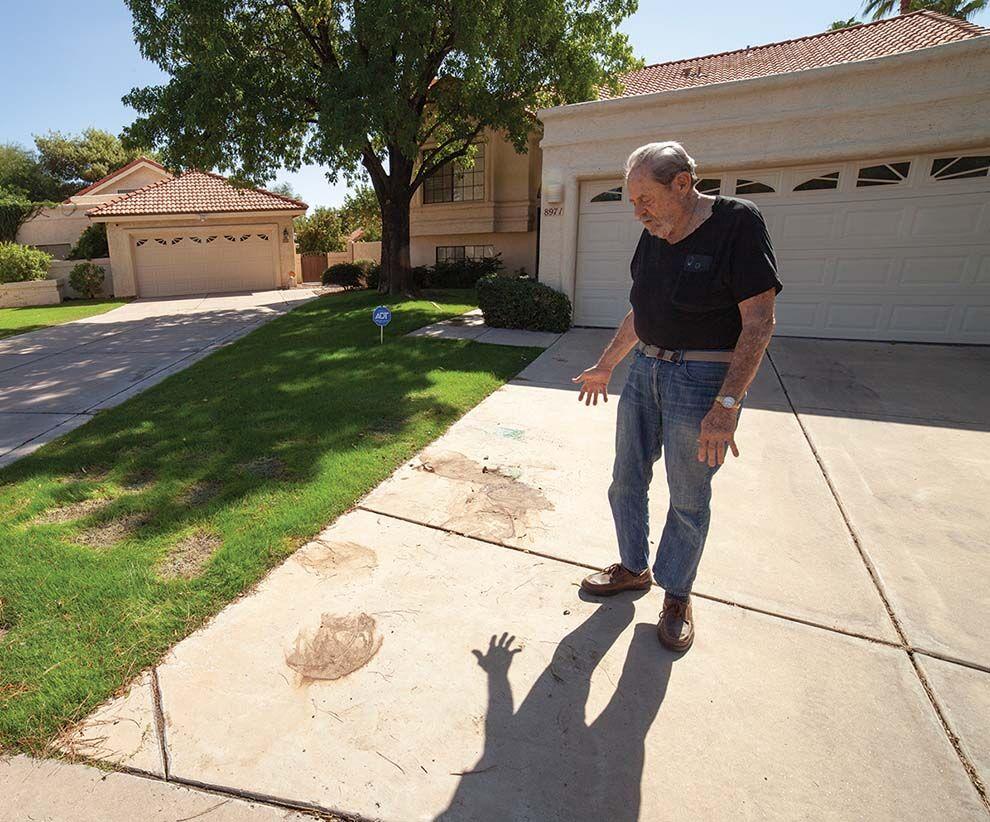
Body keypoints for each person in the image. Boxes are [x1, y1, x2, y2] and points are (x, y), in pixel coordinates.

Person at [572, 141, 782, 652]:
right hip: (645, 369)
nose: (637, 211)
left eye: (645, 199)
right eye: (632, 201)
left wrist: (728, 405)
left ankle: (677, 595)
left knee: (688, 498)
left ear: (682, 185)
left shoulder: (737, 223)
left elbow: (759, 322)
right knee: (626, 480)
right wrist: (606, 364)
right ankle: (633, 567)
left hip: (703, 379)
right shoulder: (652, 236)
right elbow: (639, 312)